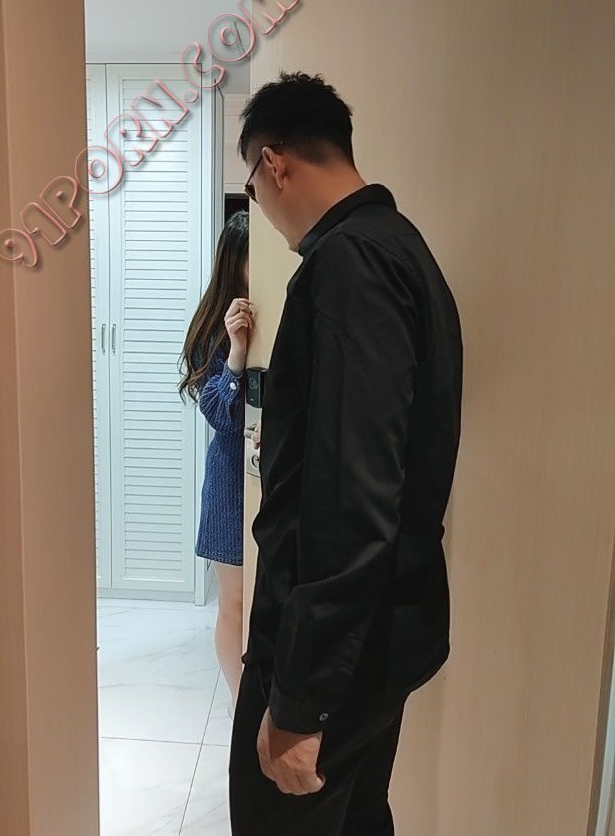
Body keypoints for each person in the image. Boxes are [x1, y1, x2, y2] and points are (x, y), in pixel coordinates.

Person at [228, 72, 463, 835]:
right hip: (379, 632)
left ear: (273, 164)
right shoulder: (402, 250)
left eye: (253, 191)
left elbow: (349, 496)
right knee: (357, 815)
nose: (263, 211)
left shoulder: (348, 265)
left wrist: (303, 700)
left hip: (333, 649)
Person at [179, 211, 255, 717]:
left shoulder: (279, 306)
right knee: (234, 602)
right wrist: (237, 353)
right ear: (236, 261)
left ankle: (257, 700)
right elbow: (221, 415)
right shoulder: (218, 326)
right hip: (231, 481)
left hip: (272, 476)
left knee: (265, 601)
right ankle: (238, 700)